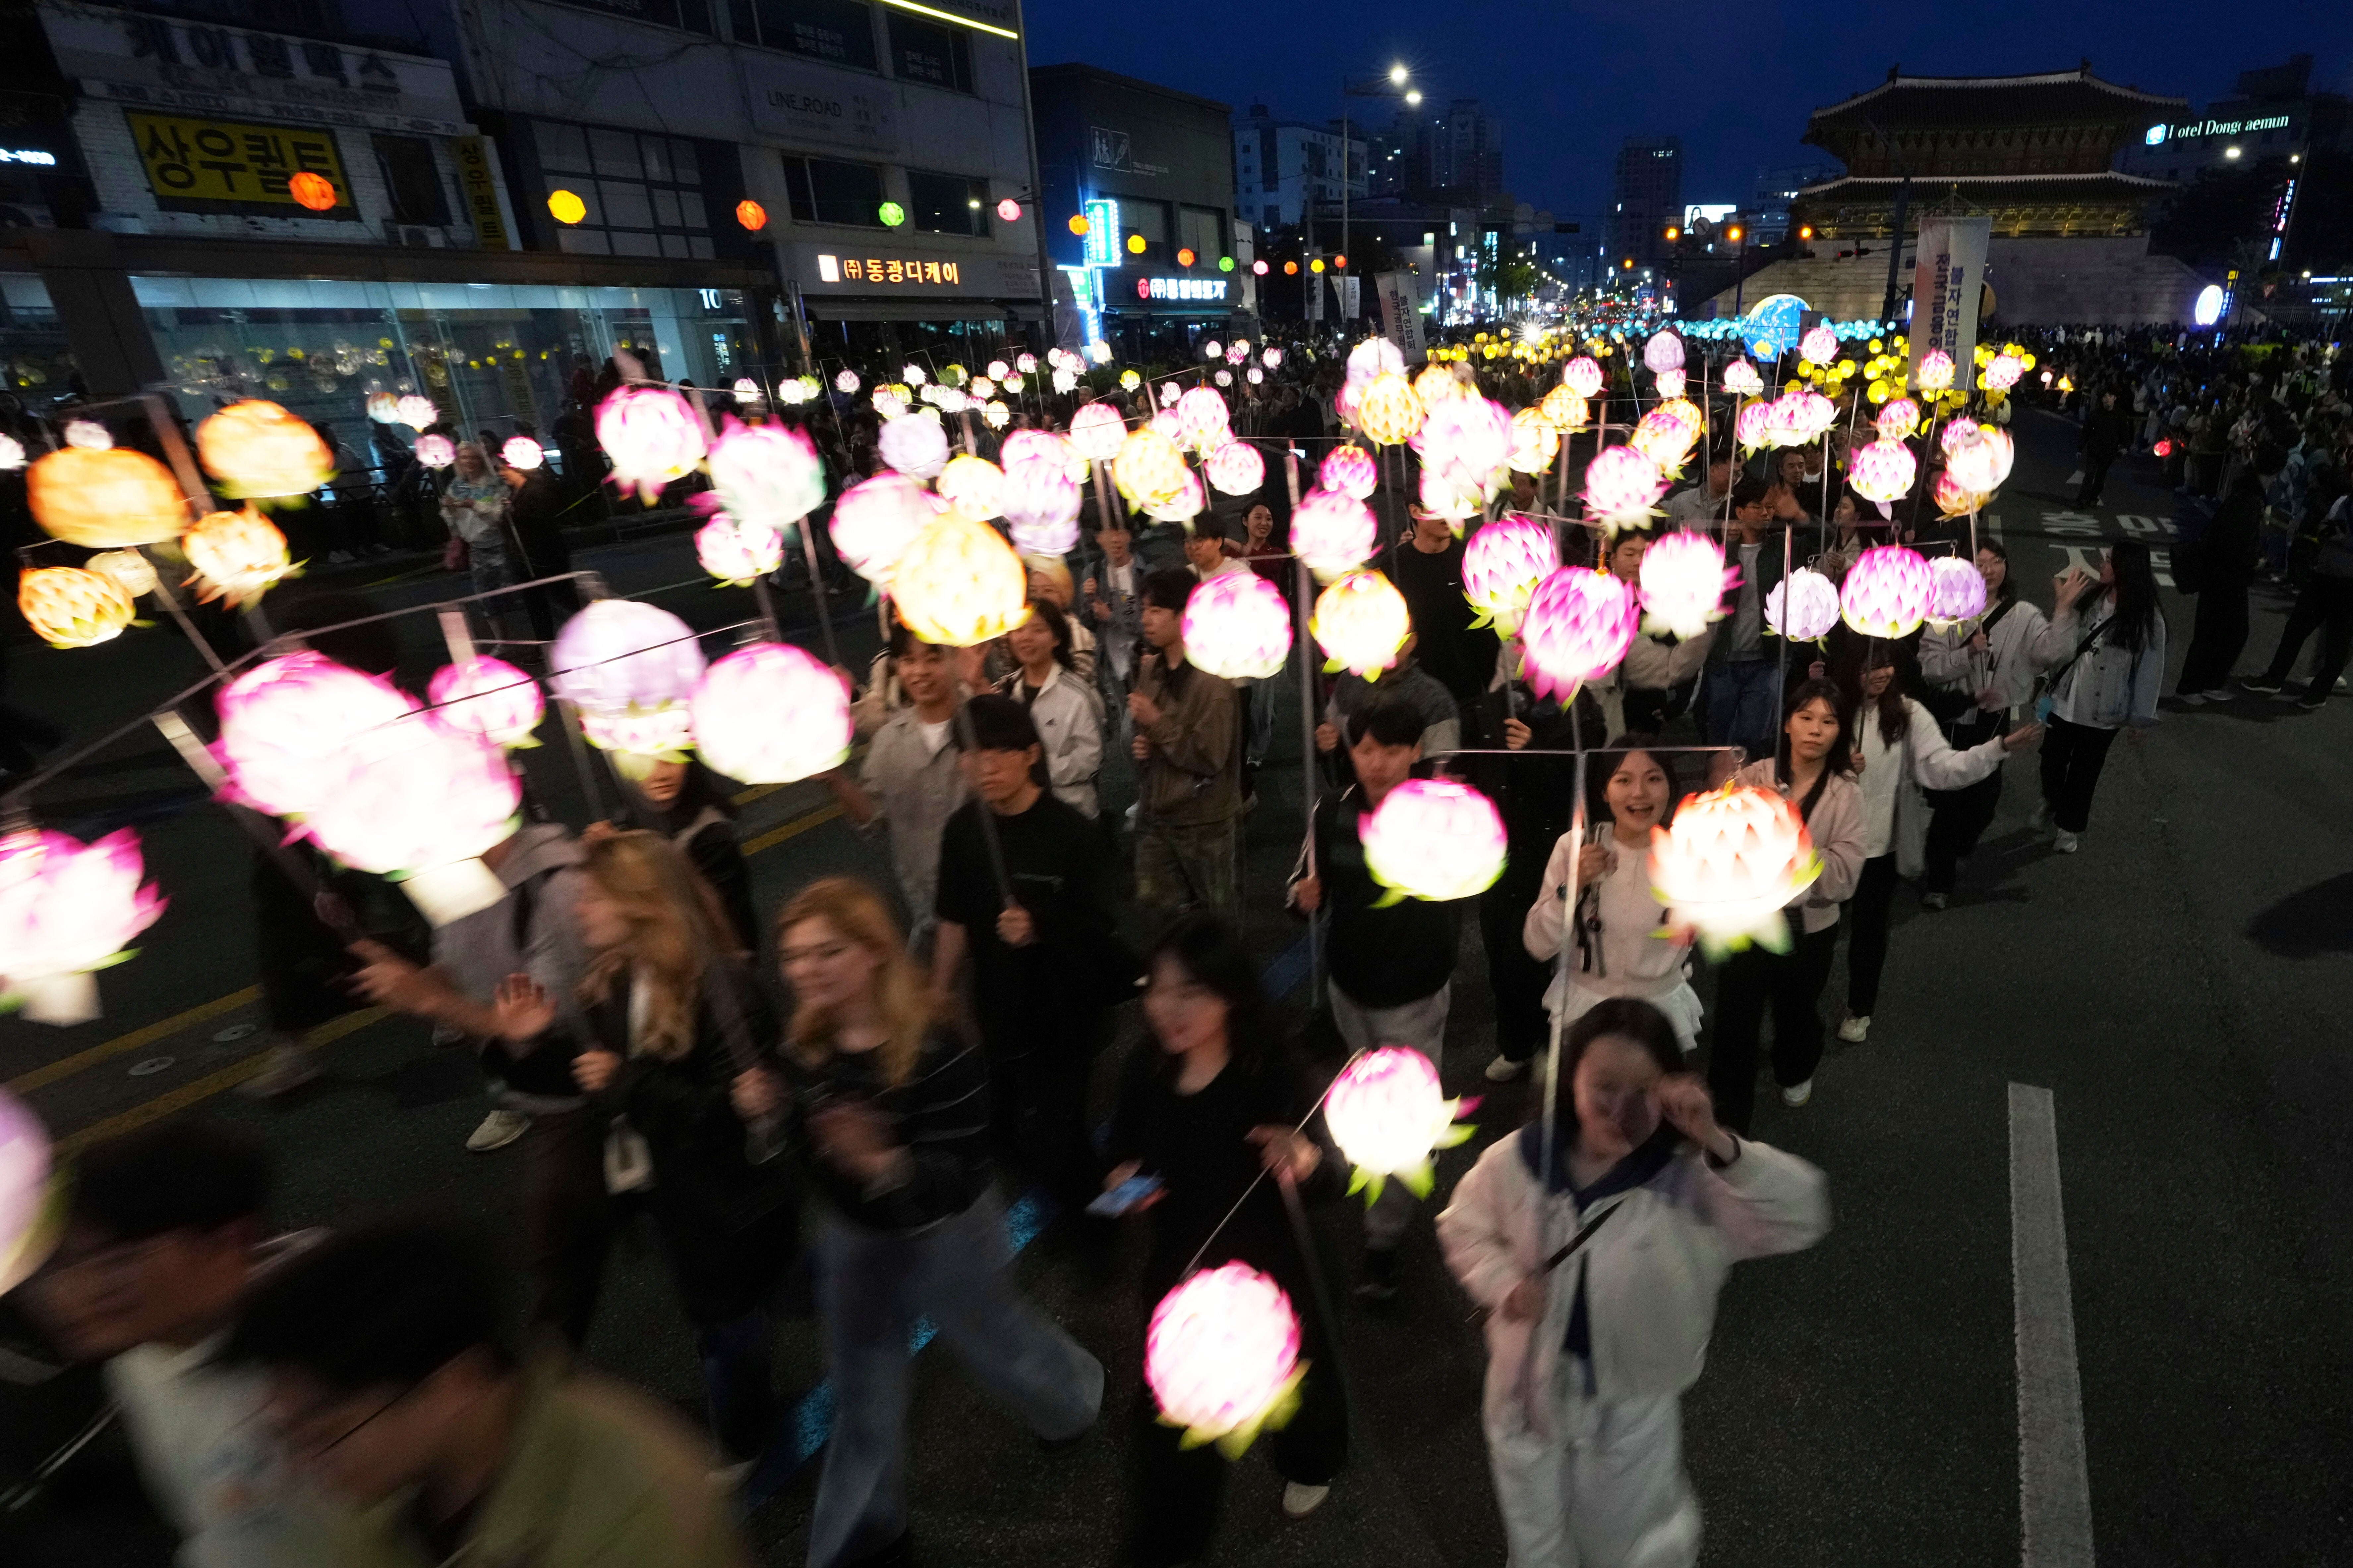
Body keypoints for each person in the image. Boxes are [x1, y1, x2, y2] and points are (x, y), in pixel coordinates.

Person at [761, 878, 1105, 1568]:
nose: (806, 971)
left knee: (996, 1343)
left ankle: (1071, 1402)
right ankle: (865, 1534)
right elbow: (808, 1158)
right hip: (855, 1232)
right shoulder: (803, 1048)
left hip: (946, 1233)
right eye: (793, 956)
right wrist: (771, 1119)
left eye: (827, 951)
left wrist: (886, 1162)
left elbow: (961, 1169)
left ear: (873, 951)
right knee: (859, 1382)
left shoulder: (937, 1043)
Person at [1437, 998, 1830, 1568]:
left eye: (1642, 1090)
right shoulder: (1517, 1162)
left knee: (1627, 1538)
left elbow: (1802, 1215)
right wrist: (1503, 1285)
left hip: (1630, 1403)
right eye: (1603, 1086)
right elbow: (1463, 1228)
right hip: (1525, 1387)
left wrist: (1719, 1143)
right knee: (1533, 1532)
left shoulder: (1694, 1186)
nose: (1621, 1110)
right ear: (1570, 1079)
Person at [219, 1220, 756, 1568]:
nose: (300, 1468)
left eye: (326, 1437)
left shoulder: (635, 1521)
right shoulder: (398, 1487)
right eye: (285, 1436)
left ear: (455, 1384)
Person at [507, 831, 797, 1469]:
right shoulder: (614, 979)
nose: (579, 908)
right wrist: (531, 1046)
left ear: (640, 901)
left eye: (593, 897)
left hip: (724, 1199)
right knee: (715, 1309)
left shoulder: (721, 989)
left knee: (726, 1320)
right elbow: (591, 1078)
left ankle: (746, 1441)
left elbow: (727, 1116)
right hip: (668, 1191)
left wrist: (626, 1082)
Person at [1105, 916, 1347, 1557]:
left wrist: (1304, 1160)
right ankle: (1170, 1541)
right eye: (1156, 989)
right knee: (1173, 1431)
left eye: (1189, 992)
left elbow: (1334, 1175)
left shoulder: (1271, 1071)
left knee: (1302, 1386)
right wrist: (1122, 1183)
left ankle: (1310, 1459)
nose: (1166, 1008)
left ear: (1230, 995)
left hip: (1278, 1274)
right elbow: (1120, 1152)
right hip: (1184, 1276)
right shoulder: (1144, 1069)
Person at [20, 1125, 340, 1568]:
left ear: (229, 1243)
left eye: (116, 1262)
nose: (65, 1296)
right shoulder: (138, 1360)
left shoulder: (335, 1355)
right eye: (55, 1266)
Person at [349, 820, 608, 1337]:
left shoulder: (557, 888)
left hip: (585, 1094)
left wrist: (428, 999)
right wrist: (407, 982)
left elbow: (545, 1015)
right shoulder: (453, 871)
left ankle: (553, 1356)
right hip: (534, 1088)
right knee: (576, 1224)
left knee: (558, 1235)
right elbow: (456, 969)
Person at [932, 695, 1133, 1213]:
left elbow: (1100, 928)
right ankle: (1054, 1189)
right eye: (972, 754)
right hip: (997, 1002)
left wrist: (1039, 928)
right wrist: (939, 994)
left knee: (1059, 1125)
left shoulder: (1072, 834)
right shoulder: (962, 830)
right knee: (1001, 1124)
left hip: (1064, 1007)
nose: (985, 767)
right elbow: (952, 919)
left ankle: (1094, 1219)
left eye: (999, 753)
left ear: (1030, 755)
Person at [1289, 698, 1459, 1301]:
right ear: (1348, 749)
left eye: (1392, 749)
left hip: (1414, 993)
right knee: (1361, 1103)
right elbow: (1302, 885)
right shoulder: (1332, 810)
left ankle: (1381, 1243)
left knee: (1398, 1121)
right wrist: (1303, 895)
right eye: (1365, 749)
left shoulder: (1441, 816)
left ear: (1415, 751)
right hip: (1349, 990)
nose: (1377, 762)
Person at [1836, 647, 2041, 1043]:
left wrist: (1998, 748)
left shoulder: (1907, 714)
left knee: (1868, 933)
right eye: (1867, 667)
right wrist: (1839, 765)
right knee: (1817, 934)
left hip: (1879, 849)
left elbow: (1942, 768)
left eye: (1884, 665)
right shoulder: (1829, 709)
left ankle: (1860, 1009)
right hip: (1830, 848)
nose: (1879, 674)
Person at [1710, 680, 1865, 1132]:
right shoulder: (1753, 776)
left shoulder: (1845, 794)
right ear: (1786, 724)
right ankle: (1725, 1122)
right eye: (1805, 717)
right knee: (1734, 1019)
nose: (1815, 730)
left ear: (1840, 732)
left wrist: (1791, 839)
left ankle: (1795, 1067)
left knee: (1795, 1012)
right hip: (1746, 923)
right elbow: (1720, 842)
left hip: (1808, 927)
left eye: (1828, 722)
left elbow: (1844, 877)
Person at [1522, 745, 1702, 1060]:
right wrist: (1574, 885)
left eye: (1653, 779)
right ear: (1605, 791)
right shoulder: (1576, 847)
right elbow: (1538, 946)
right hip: (1586, 1007)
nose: (1639, 793)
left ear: (1670, 788)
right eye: (1623, 780)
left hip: (1660, 1010)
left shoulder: (1692, 853)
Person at [1916, 542, 2048, 906]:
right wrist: (1968, 653)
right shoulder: (1942, 614)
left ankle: (1960, 846)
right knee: (1948, 801)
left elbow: (2045, 651)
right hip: (1954, 717)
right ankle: (1939, 882)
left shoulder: (2020, 614)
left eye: (1996, 562)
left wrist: (2066, 611)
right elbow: (1929, 669)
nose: (1988, 570)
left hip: (1993, 717)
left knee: (1983, 801)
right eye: (1980, 563)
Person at [827, 624, 972, 938]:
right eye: (908, 661)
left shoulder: (983, 724)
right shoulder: (890, 741)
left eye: (933, 659)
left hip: (990, 894)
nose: (920, 672)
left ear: (957, 658)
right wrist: (836, 781)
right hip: (927, 902)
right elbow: (874, 820)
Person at [2029, 542, 2165, 855]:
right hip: (2065, 699)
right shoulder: (2091, 599)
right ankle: (2052, 800)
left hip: (2105, 712)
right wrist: (2063, 605)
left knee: (2084, 773)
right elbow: (2061, 642)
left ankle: (2067, 827)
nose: (2101, 565)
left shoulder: (2147, 619)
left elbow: (2149, 670)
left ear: (2124, 569)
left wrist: (2140, 716)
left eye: (2108, 561)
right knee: (2051, 760)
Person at [1130, 569, 1244, 916]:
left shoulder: (1213, 680)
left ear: (1185, 616)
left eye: (1156, 611)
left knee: (1217, 915)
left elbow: (1211, 757)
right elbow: (1149, 735)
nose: (1146, 620)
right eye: (1144, 610)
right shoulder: (1151, 669)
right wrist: (1144, 744)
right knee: (1158, 914)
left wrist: (1157, 723)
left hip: (1204, 819)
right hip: (1158, 811)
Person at [608, 757, 756, 953]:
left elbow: (732, 927)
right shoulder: (630, 821)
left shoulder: (711, 837)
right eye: (646, 762)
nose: (662, 775)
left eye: (672, 760)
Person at [2176, 443, 2279, 703]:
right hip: (2227, 575)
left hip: (2220, 572)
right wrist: (2254, 562)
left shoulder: (2245, 490)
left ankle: (2202, 684)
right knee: (2225, 633)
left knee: (2217, 631)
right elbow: (2237, 542)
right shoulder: (2251, 499)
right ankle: (2195, 686)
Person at [1392, 504, 1500, 736]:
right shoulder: (1393, 568)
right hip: (1412, 702)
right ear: (1415, 511)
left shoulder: (1474, 560)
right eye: (1439, 505)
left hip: (1471, 698)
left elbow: (1489, 635)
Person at [1698, 481, 1784, 765]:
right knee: (1717, 734)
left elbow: (1824, 534)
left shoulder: (1779, 550)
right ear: (1739, 512)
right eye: (1757, 507)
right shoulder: (1722, 554)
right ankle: (1715, 782)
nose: (1765, 513)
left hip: (1764, 660)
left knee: (1754, 737)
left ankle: (1749, 785)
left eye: (1769, 507)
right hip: (1723, 658)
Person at [2244, 487, 2353, 709]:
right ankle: (2274, 678)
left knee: (2337, 644)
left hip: (2349, 586)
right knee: (2295, 629)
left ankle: (2318, 694)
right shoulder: (2343, 502)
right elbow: (2323, 527)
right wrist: (2325, 530)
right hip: (2323, 576)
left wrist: (2345, 538)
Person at [1595, 532, 1710, 739]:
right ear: (1613, 558)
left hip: (1651, 705)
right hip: (1602, 706)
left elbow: (1687, 661)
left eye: (1646, 554)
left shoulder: (1671, 603)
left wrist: (1678, 704)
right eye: (1629, 554)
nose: (1637, 562)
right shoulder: (1595, 599)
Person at [998, 596, 1104, 818]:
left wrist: (1035, 769)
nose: (1026, 638)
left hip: (1071, 811)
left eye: (1038, 630)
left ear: (1057, 638)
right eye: (1019, 630)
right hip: (1019, 811)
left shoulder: (1077, 694)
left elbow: (1091, 759)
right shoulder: (1006, 690)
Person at [441, 443, 519, 640]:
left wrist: (474, 506)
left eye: (473, 457)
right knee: (485, 599)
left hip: (501, 546)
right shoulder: (457, 486)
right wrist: (449, 509)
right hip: (476, 548)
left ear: (482, 460)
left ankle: (526, 639)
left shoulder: (494, 484)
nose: (469, 462)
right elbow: (452, 521)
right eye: (464, 458)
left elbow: (498, 515)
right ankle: (503, 641)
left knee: (512, 596)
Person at [2076, 387, 2132, 508]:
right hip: (2094, 449)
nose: (2107, 399)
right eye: (2105, 397)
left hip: (2109, 451)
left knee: (2101, 477)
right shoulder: (2096, 414)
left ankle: (2093, 497)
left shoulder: (2120, 416)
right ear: (2101, 400)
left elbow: (2124, 433)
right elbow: (2086, 432)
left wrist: (2126, 447)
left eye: (2110, 396)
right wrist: (2080, 449)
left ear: (2115, 398)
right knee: (2089, 475)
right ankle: (2083, 499)